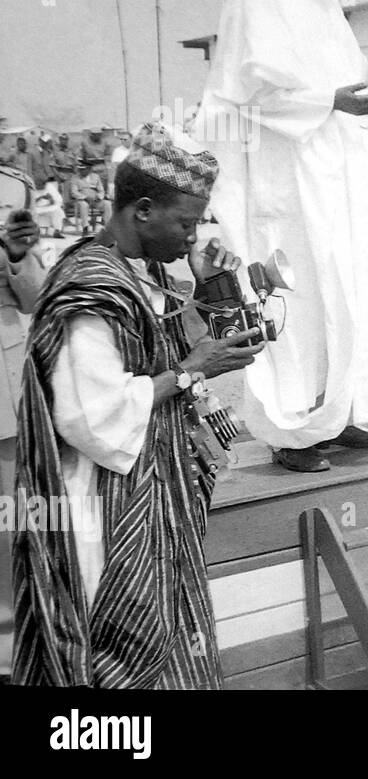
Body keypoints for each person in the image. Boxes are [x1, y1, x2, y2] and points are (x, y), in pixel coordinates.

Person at [11, 123, 264, 688]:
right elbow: (89, 419)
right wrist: (192, 369)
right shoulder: (91, 286)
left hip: (153, 493)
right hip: (105, 507)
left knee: (168, 635)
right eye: (186, 222)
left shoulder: (142, 272)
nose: (193, 235)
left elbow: (179, 350)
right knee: (124, 649)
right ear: (143, 210)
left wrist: (209, 287)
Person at [193, 0, 368, 473]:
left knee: (352, 294)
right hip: (287, 188)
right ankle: (294, 435)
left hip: (336, 181)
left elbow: (340, 82)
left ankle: (345, 416)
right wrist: (330, 98)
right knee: (299, 307)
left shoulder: (323, 2)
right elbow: (248, 91)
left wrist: (358, 99)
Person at [0, 207, 46, 682]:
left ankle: (8, 652)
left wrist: (17, 254)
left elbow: (36, 299)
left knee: (5, 529)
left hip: (1, 384)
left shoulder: (11, 188)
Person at [69, 161, 111, 234]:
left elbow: (101, 190)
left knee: (107, 203)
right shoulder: (75, 177)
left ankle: (108, 227)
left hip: (95, 199)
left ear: (89, 169)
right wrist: (84, 197)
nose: (81, 171)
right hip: (82, 199)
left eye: (83, 169)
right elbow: (74, 192)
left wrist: (99, 197)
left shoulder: (95, 176)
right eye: (80, 169)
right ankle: (85, 227)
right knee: (84, 205)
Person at [80, 127, 112, 193]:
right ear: (92, 135)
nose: (99, 136)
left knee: (104, 188)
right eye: (97, 135)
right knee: (92, 189)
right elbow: (81, 157)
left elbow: (108, 155)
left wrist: (107, 167)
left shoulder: (105, 142)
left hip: (102, 168)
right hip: (91, 168)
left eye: (100, 134)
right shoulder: (85, 143)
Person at [51, 133, 78, 202]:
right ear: (59, 140)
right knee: (62, 199)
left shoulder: (71, 151)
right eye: (62, 139)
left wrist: (75, 176)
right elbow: (52, 166)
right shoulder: (55, 152)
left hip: (71, 176)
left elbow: (75, 165)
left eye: (66, 139)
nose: (64, 141)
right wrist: (58, 176)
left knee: (74, 196)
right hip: (60, 175)